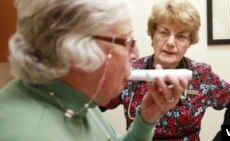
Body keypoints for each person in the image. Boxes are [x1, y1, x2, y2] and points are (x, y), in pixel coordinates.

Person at [0, 0, 189, 141]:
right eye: (127, 42)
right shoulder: (31, 134)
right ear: (75, 49)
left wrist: (148, 117)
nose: (135, 54)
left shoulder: (77, 96)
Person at [100, 0, 230, 140]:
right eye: (164, 32)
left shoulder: (202, 76)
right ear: (152, 35)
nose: (170, 43)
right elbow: (90, 104)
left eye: (181, 36)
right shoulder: (131, 73)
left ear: (189, 43)